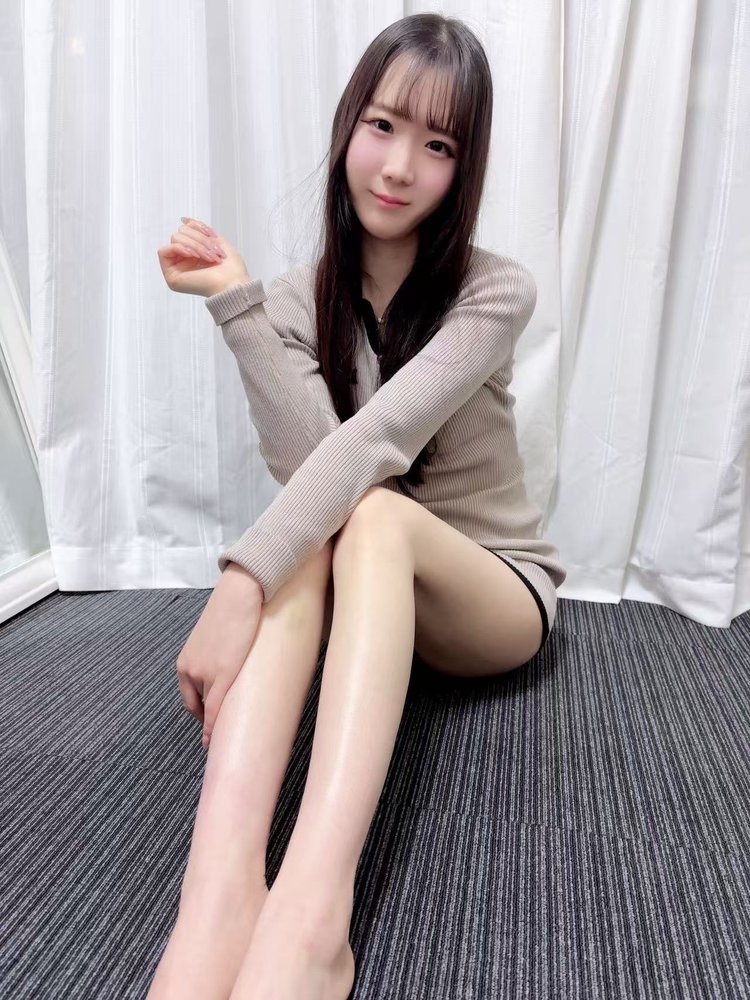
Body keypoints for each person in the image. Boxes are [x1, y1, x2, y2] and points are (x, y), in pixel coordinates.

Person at [151, 12, 566, 1000]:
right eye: (382, 126)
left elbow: (377, 443)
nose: (399, 167)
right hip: (364, 593)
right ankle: (218, 899)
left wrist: (239, 581)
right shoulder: (299, 301)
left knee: (363, 513)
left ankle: (311, 923)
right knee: (323, 529)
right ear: (348, 127)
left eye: (439, 146)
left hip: (489, 592)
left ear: (463, 170)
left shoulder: (493, 292)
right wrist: (240, 306)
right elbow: (312, 466)